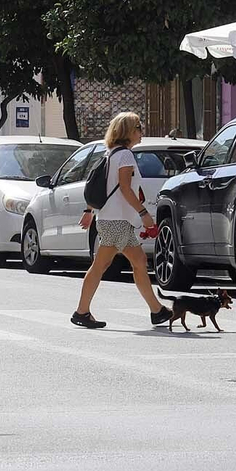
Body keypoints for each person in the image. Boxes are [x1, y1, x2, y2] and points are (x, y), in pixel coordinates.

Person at [71, 112, 174, 330]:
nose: (141, 132)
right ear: (128, 131)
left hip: (112, 219)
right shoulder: (125, 156)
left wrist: (89, 210)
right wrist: (144, 214)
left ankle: (157, 311)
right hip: (116, 220)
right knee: (102, 265)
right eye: (138, 127)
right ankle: (81, 311)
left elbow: (100, 186)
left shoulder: (111, 154)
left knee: (135, 262)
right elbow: (126, 189)